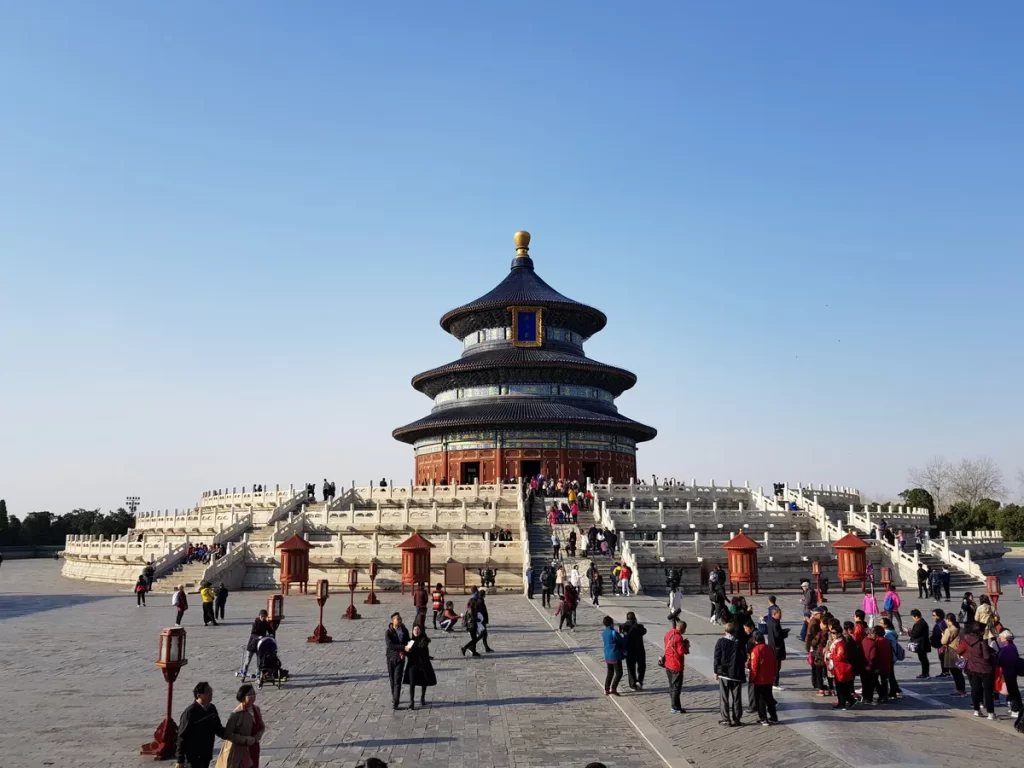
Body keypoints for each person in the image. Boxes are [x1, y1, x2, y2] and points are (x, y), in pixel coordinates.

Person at [174, 682, 245, 768]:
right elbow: (182, 736)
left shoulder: (211, 709)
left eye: (211, 691)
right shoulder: (190, 712)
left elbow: (218, 729)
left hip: (206, 754)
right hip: (192, 756)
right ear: (199, 695)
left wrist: (234, 736)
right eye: (207, 692)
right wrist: (179, 759)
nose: (210, 694)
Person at [214, 684, 263, 768]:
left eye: (254, 694)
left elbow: (262, 726)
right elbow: (228, 735)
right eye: (249, 694)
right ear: (243, 697)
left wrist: (257, 737)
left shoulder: (256, 709)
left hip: (254, 747)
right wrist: (245, 740)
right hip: (240, 751)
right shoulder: (236, 714)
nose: (252, 696)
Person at [958, 620, 997, 719]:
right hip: (985, 668)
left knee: (975, 689)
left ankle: (976, 710)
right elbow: (986, 656)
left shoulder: (967, 640)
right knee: (988, 691)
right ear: (980, 631)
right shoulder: (981, 641)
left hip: (973, 667)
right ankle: (990, 712)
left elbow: (960, 650)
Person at [713, 621, 746, 726]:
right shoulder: (739, 643)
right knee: (737, 698)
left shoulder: (721, 642)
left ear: (725, 631)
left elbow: (716, 657)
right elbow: (744, 657)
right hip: (736, 674)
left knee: (724, 697)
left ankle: (726, 718)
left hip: (724, 673)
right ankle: (737, 718)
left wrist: (715, 671)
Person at [402, 624, 437, 709]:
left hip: (422, 663)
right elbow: (408, 653)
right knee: (412, 682)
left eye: (418, 629)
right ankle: (412, 701)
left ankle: (422, 698)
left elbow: (422, 647)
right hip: (412, 664)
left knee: (423, 682)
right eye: (414, 629)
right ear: (412, 631)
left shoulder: (424, 639)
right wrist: (404, 651)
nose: (416, 631)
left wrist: (411, 647)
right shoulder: (410, 641)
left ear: (421, 631)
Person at [748, 631, 779, 725]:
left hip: (759, 679)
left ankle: (763, 718)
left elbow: (754, 666)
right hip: (769, 678)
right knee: (769, 697)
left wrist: (752, 678)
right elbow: (775, 664)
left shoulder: (756, 650)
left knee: (760, 699)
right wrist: (774, 675)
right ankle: (773, 716)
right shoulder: (770, 648)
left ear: (755, 640)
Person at [237, 609, 275, 678]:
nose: (263, 618)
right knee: (247, 661)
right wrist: (258, 637)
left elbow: (270, 630)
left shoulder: (266, 623)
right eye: (263, 617)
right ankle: (244, 674)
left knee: (259, 662)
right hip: (252, 645)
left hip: (260, 645)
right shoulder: (255, 622)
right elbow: (252, 634)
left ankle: (258, 675)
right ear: (260, 616)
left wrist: (271, 634)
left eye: (265, 617)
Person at [828, 621, 856, 710]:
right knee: (840, 687)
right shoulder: (836, 642)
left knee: (841, 687)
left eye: (834, 633)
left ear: (839, 633)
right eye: (831, 633)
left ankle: (843, 703)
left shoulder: (840, 644)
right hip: (836, 667)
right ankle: (843, 702)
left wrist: (830, 655)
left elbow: (840, 657)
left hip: (840, 667)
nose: (832, 635)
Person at [385, 613, 411, 710]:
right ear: (393, 621)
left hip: (400, 659)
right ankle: (394, 697)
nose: (399, 620)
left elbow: (408, 642)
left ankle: (396, 701)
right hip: (391, 658)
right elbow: (390, 645)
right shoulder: (388, 632)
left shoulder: (404, 630)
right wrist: (402, 648)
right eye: (397, 619)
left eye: (400, 619)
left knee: (397, 680)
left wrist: (406, 649)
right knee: (392, 680)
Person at [663, 618, 688, 713]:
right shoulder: (678, 637)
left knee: (671, 685)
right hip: (676, 665)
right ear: (682, 629)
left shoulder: (669, 633)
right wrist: (685, 646)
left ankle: (674, 704)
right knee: (676, 687)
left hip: (668, 664)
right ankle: (675, 707)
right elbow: (681, 652)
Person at [861, 625, 890, 704]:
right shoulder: (881, 641)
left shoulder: (867, 641)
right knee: (878, 682)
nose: (875, 635)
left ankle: (869, 698)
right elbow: (874, 655)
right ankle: (882, 696)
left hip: (870, 666)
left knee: (871, 682)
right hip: (880, 665)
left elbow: (871, 655)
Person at [997, 629, 1022, 715]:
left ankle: (1016, 709)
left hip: (1009, 672)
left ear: (1005, 638)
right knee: (1014, 690)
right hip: (1012, 671)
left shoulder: (1006, 649)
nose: (999, 639)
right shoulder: (1011, 646)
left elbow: (1001, 661)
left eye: (1001, 637)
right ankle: (1018, 707)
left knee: (1012, 691)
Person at [941, 613, 966, 696]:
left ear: (948, 620)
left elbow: (943, 641)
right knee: (959, 671)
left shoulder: (949, 630)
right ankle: (961, 688)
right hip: (960, 651)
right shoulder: (961, 628)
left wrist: (943, 635)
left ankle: (960, 689)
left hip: (951, 651)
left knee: (955, 671)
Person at [622, 611, 648, 691]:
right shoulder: (639, 626)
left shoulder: (624, 626)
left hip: (629, 651)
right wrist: (635, 624)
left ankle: (632, 684)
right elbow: (644, 631)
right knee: (642, 666)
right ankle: (640, 681)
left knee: (631, 668)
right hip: (639, 650)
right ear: (635, 618)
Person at [764, 605, 787, 689]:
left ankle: (773, 682)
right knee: (777, 666)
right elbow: (777, 635)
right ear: (774, 614)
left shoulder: (770, 621)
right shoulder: (776, 623)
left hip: (771, 645)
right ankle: (775, 683)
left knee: (774, 666)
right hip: (776, 647)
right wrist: (784, 633)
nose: (780, 615)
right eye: (779, 614)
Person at [602, 615, 625, 695]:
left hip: (607, 655)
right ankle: (613, 688)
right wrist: (622, 634)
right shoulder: (613, 632)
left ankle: (606, 689)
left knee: (610, 672)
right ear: (611, 623)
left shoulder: (604, 632)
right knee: (619, 673)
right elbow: (621, 641)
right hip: (615, 655)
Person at [908, 609, 930, 678]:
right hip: (922, 643)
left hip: (921, 644)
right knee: (923, 659)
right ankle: (925, 673)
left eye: (913, 617)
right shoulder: (921, 622)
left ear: (916, 616)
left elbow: (915, 634)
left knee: (923, 659)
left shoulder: (920, 623)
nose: (913, 619)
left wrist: (909, 632)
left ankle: (925, 673)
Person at [930, 609, 949, 677]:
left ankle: (945, 672)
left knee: (942, 658)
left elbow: (943, 634)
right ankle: (945, 671)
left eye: (934, 615)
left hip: (941, 643)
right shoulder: (940, 623)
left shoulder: (940, 623)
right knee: (942, 658)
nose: (933, 617)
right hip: (940, 643)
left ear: (938, 616)